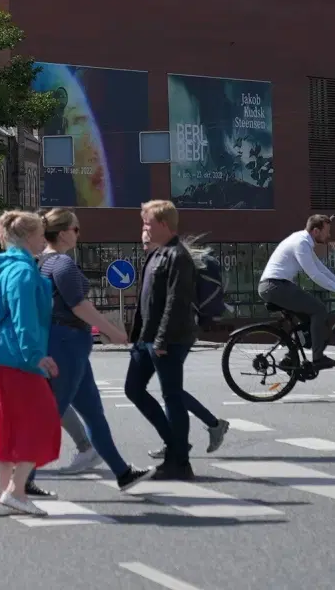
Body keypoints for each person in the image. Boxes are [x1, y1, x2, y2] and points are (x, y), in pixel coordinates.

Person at [33, 208, 151, 491]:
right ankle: (22, 480)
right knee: (52, 412)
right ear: (63, 233)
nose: (79, 234)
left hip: (65, 342)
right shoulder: (62, 263)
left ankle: (122, 472)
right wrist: (112, 330)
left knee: (92, 411)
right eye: (76, 229)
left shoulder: (42, 262)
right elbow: (79, 305)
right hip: (67, 343)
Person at [0, 210, 60, 517]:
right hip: (17, 361)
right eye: (40, 234)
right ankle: (15, 491)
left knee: (4, 430)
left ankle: (2, 497)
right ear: (27, 237)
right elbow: (23, 318)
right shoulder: (24, 272)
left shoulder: (7, 268)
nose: (44, 240)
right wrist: (36, 356)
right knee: (43, 422)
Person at [124, 200, 200, 481]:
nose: (144, 228)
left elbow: (176, 302)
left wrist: (162, 340)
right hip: (147, 338)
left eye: (148, 223)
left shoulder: (178, 256)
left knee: (172, 397)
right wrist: (137, 337)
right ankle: (176, 447)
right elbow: (147, 301)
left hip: (167, 339)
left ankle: (179, 462)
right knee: (133, 389)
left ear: (164, 225)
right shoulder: (157, 253)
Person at [146, 230, 230, 460]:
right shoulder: (175, 260)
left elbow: (173, 304)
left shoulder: (173, 263)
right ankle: (201, 430)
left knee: (170, 390)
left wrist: (160, 338)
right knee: (171, 390)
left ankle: (185, 438)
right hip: (178, 332)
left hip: (175, 334)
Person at [257, 215, 335, 370]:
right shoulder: (301, 243)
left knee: (310, 324)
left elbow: (321, 268)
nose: (329, 235)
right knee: (319, 310)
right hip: (275, 286)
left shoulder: (303, 241)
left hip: (276, 286)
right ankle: (318, 358)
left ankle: (289, 359)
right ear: (316, 231)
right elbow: (314, 274)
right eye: (327, 231)